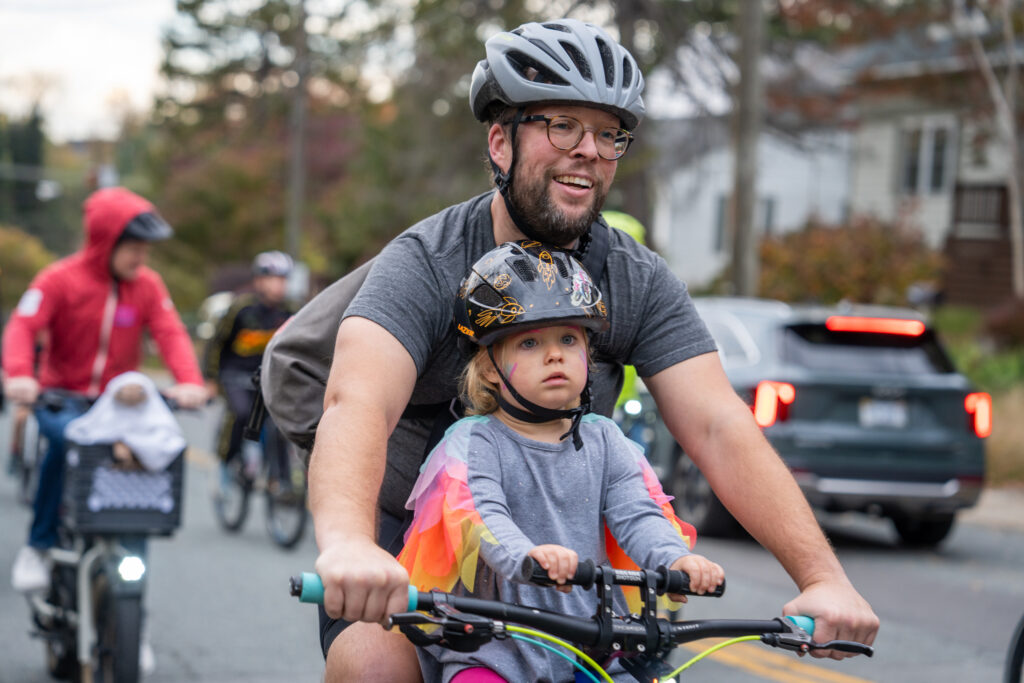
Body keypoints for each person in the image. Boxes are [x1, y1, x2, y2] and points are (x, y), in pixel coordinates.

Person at [308, 18, 877, 682]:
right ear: (500, 142)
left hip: (573, 573)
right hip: (414, 556)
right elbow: (359, 402)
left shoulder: (636, 277)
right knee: (372, 660)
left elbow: (720, 426)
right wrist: (349, 544)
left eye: (608, 133)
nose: (589, 150)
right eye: (561, 126)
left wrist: (824, 578)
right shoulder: (426, 262)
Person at [398, 242, 725, 682]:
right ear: (490, 366)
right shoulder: (475, 442)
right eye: (530, 342)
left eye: (569, 339)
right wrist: (527, 555)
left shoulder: (607, 440)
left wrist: (674, 559)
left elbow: (636, 513)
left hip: (592, 645)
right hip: (496, 649)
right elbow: (480, 518)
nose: (555, 354)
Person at [2, 186, 208, 594]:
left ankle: (133, 607)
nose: (141, 257)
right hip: (62, 398)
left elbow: (170, 333)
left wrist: (190, 382)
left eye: (146, 248)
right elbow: (23, 326)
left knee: (146, 463)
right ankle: (39, 544)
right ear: (105, 240)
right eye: (133, 246)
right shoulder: (59, 279)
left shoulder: (148, 286)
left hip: (119, 405)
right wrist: (21, 374)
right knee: (70, 444)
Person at [202, 250, 296, 479]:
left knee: (280, 425)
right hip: (235, 376)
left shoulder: (290, 312)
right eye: (273, 279)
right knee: (242, 413)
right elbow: (216, 344)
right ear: (259, 281)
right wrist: (210, 378)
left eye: (283, 280)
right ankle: (228, 457)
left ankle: (280, 480)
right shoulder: (241, 309)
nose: (279, 286)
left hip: (268, 379)